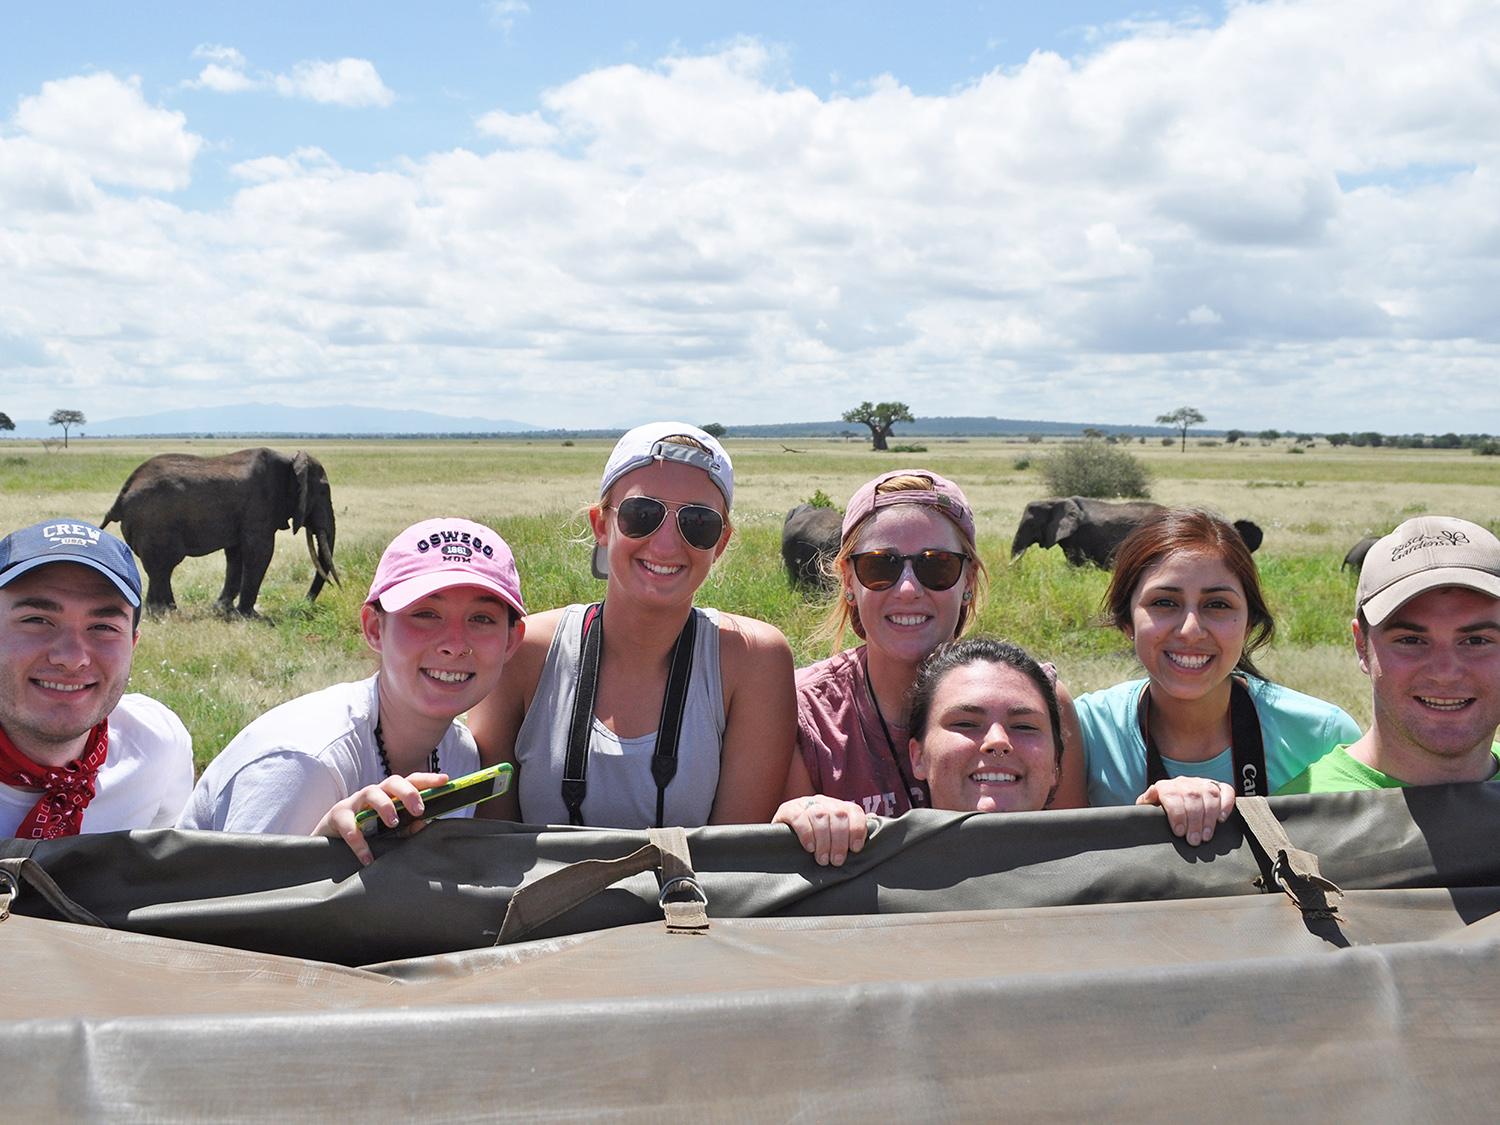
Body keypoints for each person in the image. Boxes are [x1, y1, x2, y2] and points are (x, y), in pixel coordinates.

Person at [467, 422, 795, 828]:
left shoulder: (752, 660)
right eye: (642, 515)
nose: (666, 545)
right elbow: (487, 838)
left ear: (721, 544)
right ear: (602, 526)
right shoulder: (523, 651)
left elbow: (734, 857)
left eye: (698, 524)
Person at [774, 471, 1085, 866]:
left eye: (936, 567)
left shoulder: (1036, 702)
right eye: (879, 566)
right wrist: (797, 817)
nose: (907, 589)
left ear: (968, 580)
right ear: (848, 580)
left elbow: (1073, 856)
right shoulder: (804, 715)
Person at [179, 518, 526, 864]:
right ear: (374, 627)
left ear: (512, 641)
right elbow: (236, 908)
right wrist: (321, 855)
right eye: (425, 614)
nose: (454, 643)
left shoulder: (460, 756)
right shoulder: (304, 764)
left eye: (481, 618)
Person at [1075, 507, 1359, 844]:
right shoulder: (1084, 733)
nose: (1191, 630)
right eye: (1165, 603)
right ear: (1126, 623)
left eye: (1218, 605)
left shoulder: (1322, 736)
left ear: (1249, 624)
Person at [0, 519, 192, 839]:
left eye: (103, 627)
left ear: (132, 644)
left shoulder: (158, 747)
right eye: (37, 620)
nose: (73, 658)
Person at [1279, 516, 1500, 792]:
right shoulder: (1296, 820)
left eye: (1476, 641)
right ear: (1362, 645)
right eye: (1411, 640)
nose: (1445, 673)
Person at [905, 637, 1065, 815]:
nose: (998, 741)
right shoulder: (874, 841)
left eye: (1024, 726)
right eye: (965, 724)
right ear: (918, 757)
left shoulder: (1098, 842)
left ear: (1055, 763)